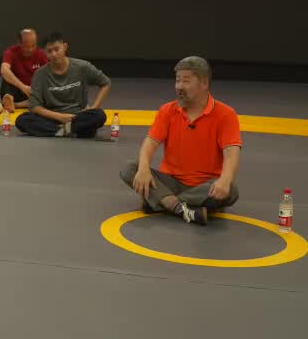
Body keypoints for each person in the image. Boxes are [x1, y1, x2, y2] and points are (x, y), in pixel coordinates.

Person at [119, 56, 242, 226]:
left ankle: (162, 201)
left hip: (205, 185)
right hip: (172, 181)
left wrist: (225, 180)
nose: (179, 87)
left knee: (231, 191)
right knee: (130, 169)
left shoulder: (226, 114)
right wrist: (144, 168)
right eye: (177, 81)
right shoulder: (167, 110)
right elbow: (151, 142)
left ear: (204, 83)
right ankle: (180, 208)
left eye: (186, 81)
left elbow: (231, 152)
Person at [15, 32, 111, 138]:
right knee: (22, 120)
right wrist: (60, 117)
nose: (54, 54)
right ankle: (70, 130)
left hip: (77, 117)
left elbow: (105, 82)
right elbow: (34, 106)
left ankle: (59, 130)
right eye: (49, 51)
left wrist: (94, 107)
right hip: (52, 118)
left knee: (99, 115)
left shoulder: (82, 66)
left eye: (57, 49)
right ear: (45, 53)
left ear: (65, 47)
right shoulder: (40, 74)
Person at [0, 29, 48, 112]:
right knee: (7, 78)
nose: (30, 49)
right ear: (19, 43)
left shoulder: (42, 54)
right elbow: (4, 70)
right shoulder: (11, 52)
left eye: (33, 46)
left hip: (33, 92)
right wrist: (23, 87)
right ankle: (8, 97)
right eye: (27, 46)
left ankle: (15, 105)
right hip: (16, 91)